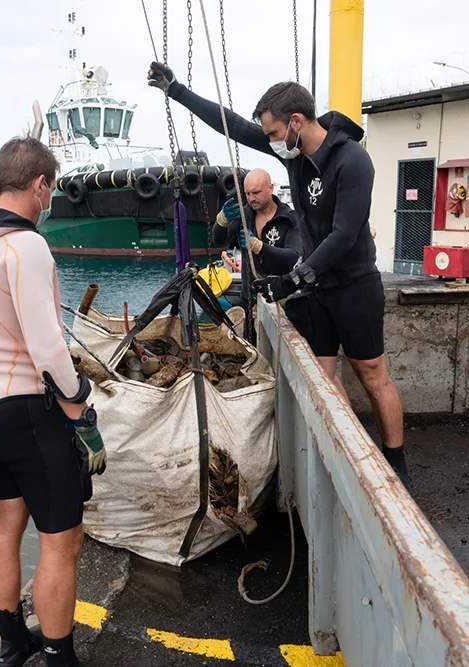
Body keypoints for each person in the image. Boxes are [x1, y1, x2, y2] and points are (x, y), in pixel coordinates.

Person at [148, 62, 410, 489]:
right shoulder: (294, 154)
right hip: (318, 287)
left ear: (296, 122)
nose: (269, 141)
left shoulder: (351, 160)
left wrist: (296, 276)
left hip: (355, 284)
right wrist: (176, 90)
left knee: (370, 372)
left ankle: (397, 462)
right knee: (323, 378)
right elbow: (230, 124)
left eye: (271, 133)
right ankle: (359, 455)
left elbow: (345, 234)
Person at [0, 136, 105, 667]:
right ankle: (61, 659)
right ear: (39, 185)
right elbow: (48, 347)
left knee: (6, 525)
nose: (51, 199)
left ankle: (13, 645)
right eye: (51, 189)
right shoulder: (27, 246)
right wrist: (79, 408)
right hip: (29, 409)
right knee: (62, 543)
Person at [213, 168, 301, 316]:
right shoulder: (244, 214)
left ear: (270, 188)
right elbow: (219, 240)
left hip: (279, 297)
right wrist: (222, 221)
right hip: (249, 298)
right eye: (248, 194)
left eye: (256, 193)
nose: (251, 198)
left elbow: (292, 257)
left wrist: (260, 247)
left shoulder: (289, 219)